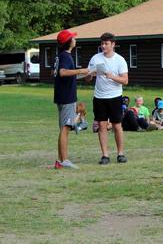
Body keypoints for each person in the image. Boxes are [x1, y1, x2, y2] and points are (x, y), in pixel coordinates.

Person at [86, 32, 129, 165]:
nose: (103, 46)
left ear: (113, 44)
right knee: (102, 126)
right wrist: (90, 75)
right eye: (102, 43)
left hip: (115, 97)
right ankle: (105, 155)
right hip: (99, 97)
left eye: (106, 43)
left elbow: (125, 80)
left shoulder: (120, 60)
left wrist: (112, 76)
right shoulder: (95, 58)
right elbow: (88, 79)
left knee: (117, 126)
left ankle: (120, 153)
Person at [53, 29, 90, 169]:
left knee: (64, 128)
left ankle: (60, 160)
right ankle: (65, 161)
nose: (75, 39)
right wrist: (81, 70)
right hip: (66, 97)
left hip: (63, 96)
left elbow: (58, 73)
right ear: (68, 42)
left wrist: (82, 75)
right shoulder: (65, 57)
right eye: (73, 38)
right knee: (65, 129)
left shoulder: (60, 56)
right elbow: (62, 72)